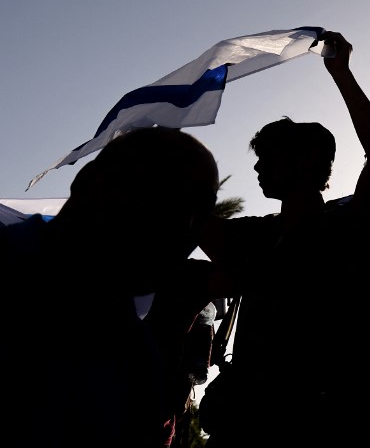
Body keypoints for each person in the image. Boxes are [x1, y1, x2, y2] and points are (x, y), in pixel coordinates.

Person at [197, 31, 370, 446]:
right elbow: (188, 219)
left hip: (328, 423)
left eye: (270, 157)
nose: (259, 168)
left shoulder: (350, 222)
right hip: (250, 424)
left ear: (309, 160)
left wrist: (341, 72)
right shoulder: (256, 233)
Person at [0, 127, 220, 448]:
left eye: (201, 213)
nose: (187, 230)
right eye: (167, 197)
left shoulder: (135, 353)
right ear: (89, 181)